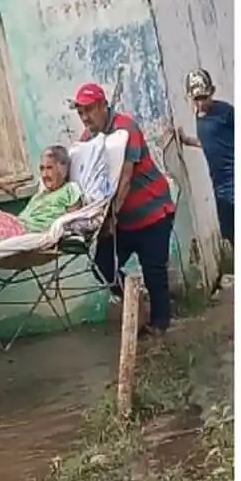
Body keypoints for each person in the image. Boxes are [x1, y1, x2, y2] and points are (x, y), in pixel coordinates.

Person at [73, 83, 177, 336]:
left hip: (152, 212)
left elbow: (125, 178)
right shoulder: (87, 139)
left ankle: (161, 327)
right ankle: (135, 301)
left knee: (154, 271)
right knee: (102, 264)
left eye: (89, 110)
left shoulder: (126, 127)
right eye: (80, 113)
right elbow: (86, 181)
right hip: (122, 220)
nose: (85, 118)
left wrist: (110, 218)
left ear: (102, 105)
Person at [176, 68, 235, 243]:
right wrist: (187, 140)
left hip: (233, 178)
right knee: (230, 233)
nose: (201, 103)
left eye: (204, 98)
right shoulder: (199, 116)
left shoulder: (227, 112)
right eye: (197, 99)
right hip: (218, 183)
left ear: (212, 92)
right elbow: (209, 143)